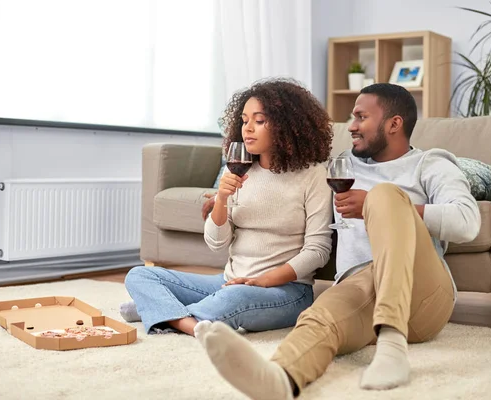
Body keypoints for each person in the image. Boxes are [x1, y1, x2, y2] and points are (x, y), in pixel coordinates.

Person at [194, 83, 481, 397]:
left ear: (394, 124)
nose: (352, 126)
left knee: (384, 196)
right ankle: (280, 378)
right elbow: (285, 179)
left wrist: (376, 204)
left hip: (424, 294)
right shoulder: (340, 165)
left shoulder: (430, 164)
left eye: (361, 118)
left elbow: (467, 223)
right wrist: (222, 200)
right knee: (319, 315)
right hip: (359, 285)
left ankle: (392, 343)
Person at [120, 78, 334, 336]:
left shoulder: (313, 175)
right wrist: (221, 199)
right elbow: (216, 243)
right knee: (139, 276)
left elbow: (318, 250)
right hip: (228, 282)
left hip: (285, 291)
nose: (248, 129)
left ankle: (159, 311)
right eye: (244, 121)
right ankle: (189, 321)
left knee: (233, 300)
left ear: (288, 125)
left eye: (259, 120)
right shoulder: (239, 171)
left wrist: (264, 280)